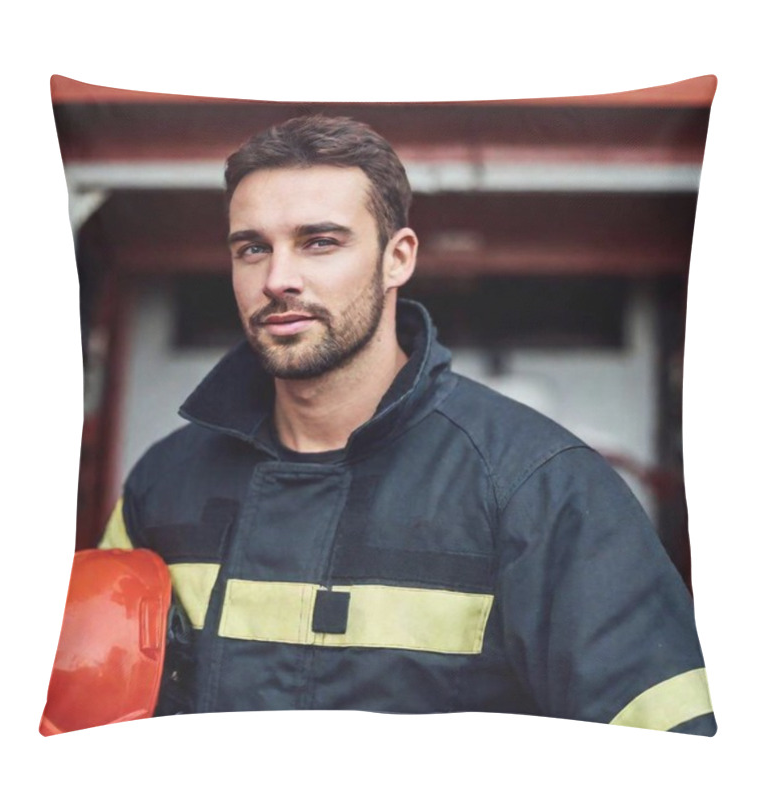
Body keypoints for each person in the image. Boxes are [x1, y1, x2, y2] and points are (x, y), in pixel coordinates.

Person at [100, 115, 715, 734]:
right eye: (252, 247)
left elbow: (674, 748)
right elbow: (89, 714)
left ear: (398, 258)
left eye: (319, 242)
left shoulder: (538, 489)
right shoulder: (163, 481)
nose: (277, 278)